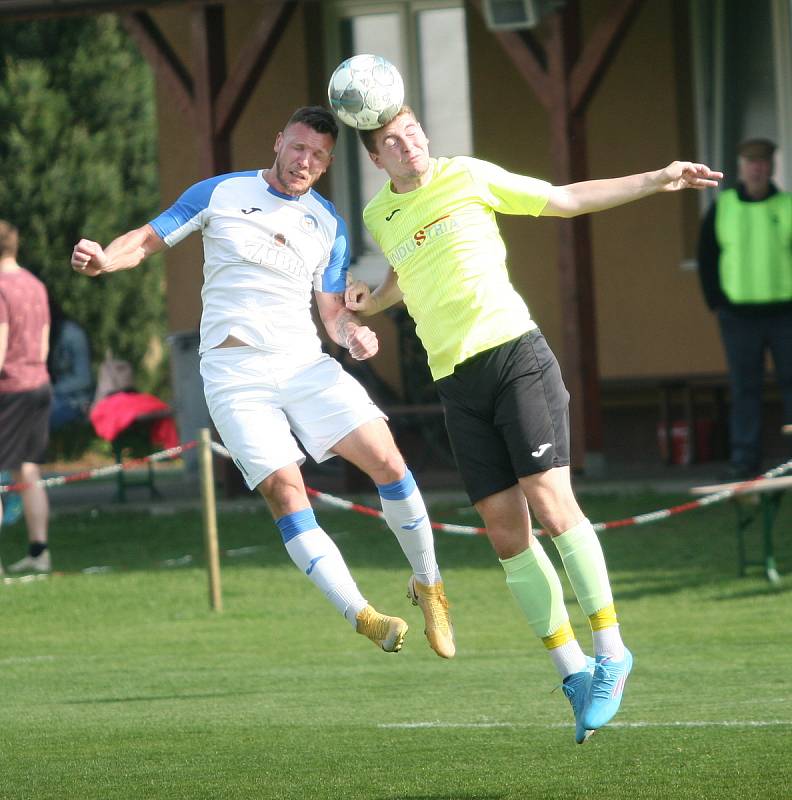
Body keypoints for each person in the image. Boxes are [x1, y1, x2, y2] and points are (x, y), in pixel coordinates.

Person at [345, 106, 722, 741]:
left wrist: (658, 178)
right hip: (455, 381)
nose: (409, 146)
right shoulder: (379, 215)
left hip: (515, 356)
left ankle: (612, 650)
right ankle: (572, 670)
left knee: (551, 502)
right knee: (504, 533)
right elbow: (405, 276)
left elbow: (565, 199)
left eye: (412, 133)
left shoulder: (466, 176)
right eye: (392, 141)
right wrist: (370, 303)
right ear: (376, 159)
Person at [70, 106, 454, 658]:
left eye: (318, 156)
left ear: (326, 166)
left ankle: (429, 583)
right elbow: (150, 239)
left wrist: (354, 337)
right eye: (298, 148)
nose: (305, 161)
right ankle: (363, 613)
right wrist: (105, 261)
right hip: (234, 375)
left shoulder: (329, 225)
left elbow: (333, 315)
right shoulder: (220, 193)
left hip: (303, 365)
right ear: (278, 142)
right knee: (285, 490)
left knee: (389, 461)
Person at [697, 138, 792, 480]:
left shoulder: (787, 205)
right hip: (737, 316)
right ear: (741, 165)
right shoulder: (723, 208)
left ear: (771, 166)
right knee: (744, 387)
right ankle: (744, 462)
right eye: (751, 161)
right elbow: (707, 257)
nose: (758, 168)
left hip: (785, 313)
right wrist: (716, 302)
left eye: (764, 162)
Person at [0, 220, 53, 574]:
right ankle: (39, 553)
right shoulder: (35, 285)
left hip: (10, 387)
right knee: (28, 471)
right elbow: (45, 343)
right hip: (39, 382)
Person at [48, 298, 93, 431]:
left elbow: (84, 379)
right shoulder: (52, 334)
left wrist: (53, 389)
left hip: (76, 401)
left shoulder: (73, 335)